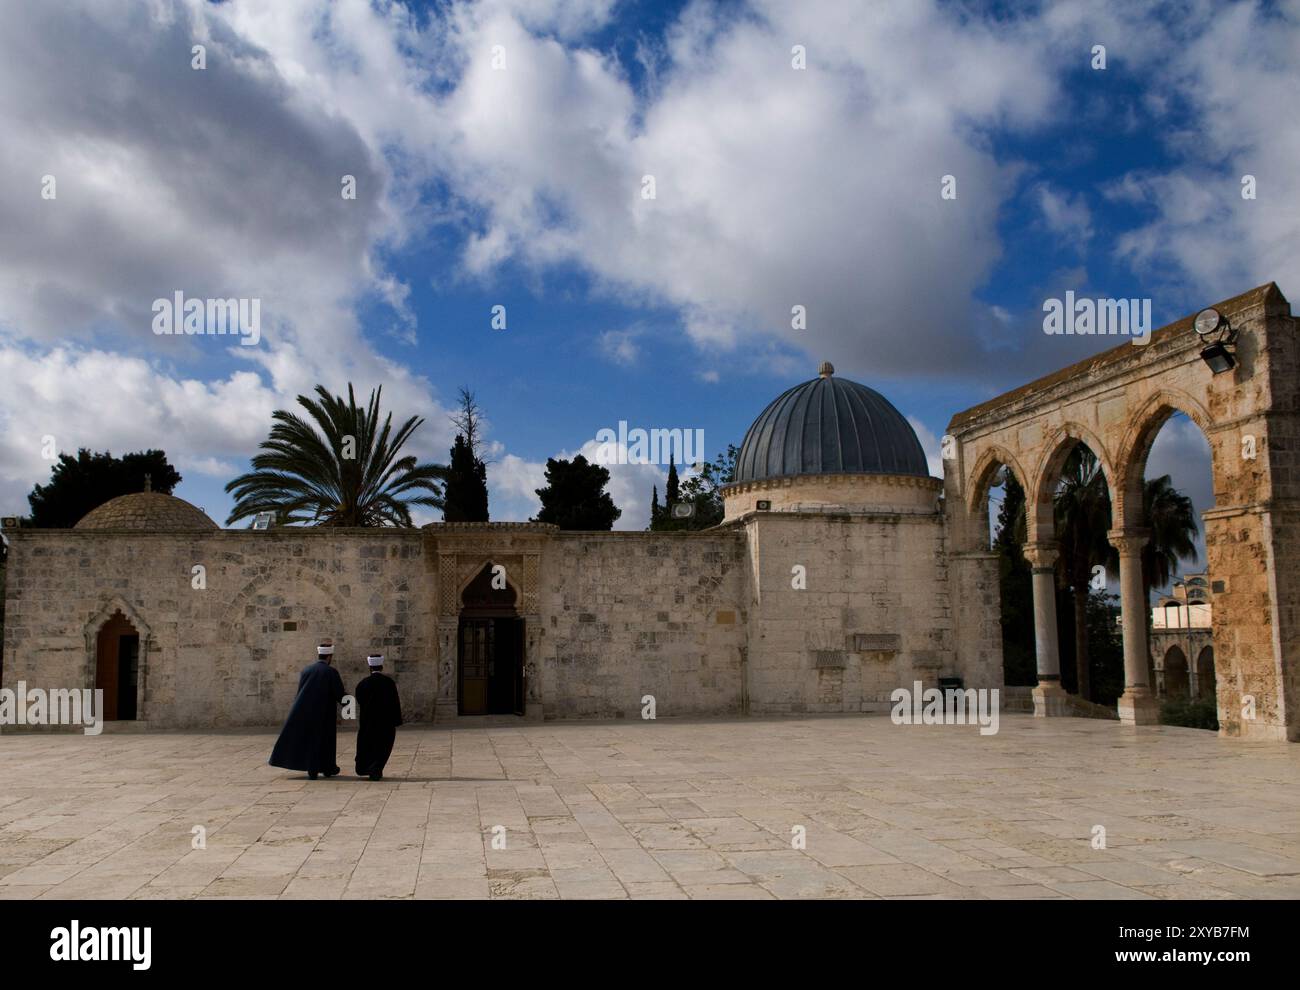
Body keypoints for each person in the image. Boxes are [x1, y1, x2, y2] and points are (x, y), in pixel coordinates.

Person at [269, 640, 345, 779]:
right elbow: (340, 694)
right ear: (329, 657)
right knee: (326, 741)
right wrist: (351, 711)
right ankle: (327, 768)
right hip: (325, 715)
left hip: (306, 713)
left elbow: (300, 692)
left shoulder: (306, 670)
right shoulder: (331, 672)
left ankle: (313, 769)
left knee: (311, 741)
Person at [354, 653, 403, 781]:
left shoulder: (363, 683)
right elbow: (395, 702)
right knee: (383, 746)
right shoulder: (389, 683)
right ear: (381, 667)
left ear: (369, 667)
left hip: (368, 722)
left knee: (368, 745)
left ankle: (368, 768)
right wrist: (396, 720)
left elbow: (360, 700)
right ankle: (376, 768)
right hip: (385, 723)